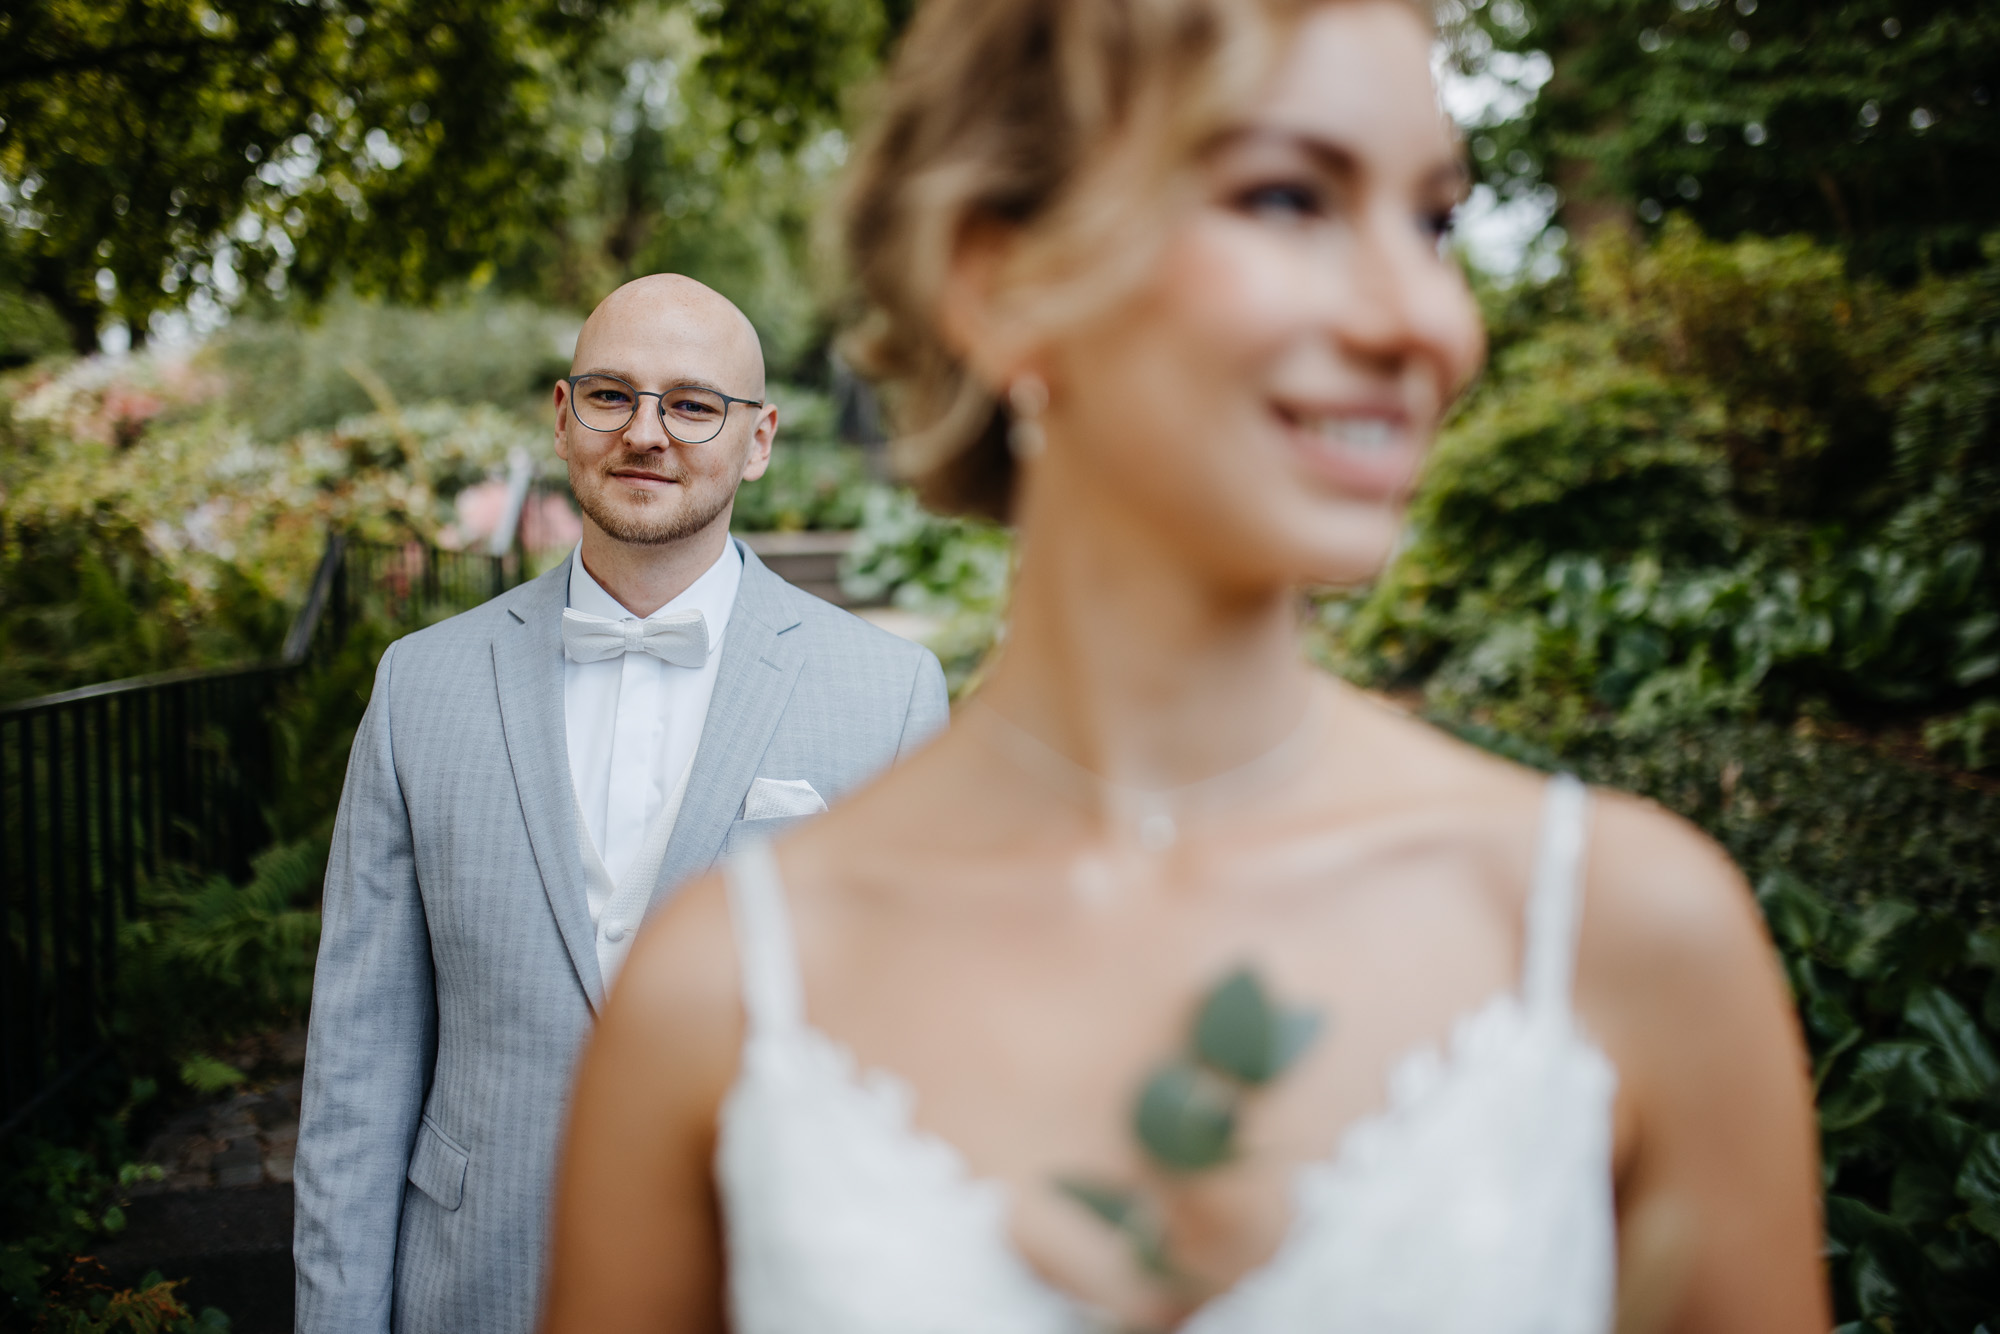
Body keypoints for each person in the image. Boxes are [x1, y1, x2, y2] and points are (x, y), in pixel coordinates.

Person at [543, 2, 1829, 1331]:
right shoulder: (723, 995)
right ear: (1004, 278)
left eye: (1435, 221)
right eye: (1288, 197)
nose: (1427, 321)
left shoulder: (1625, 939)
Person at [293, 274, 949, 1334]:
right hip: (476, 1281)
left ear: (759, 438)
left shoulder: (887, 694)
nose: (646, 432)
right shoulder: (420, 685)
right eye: (611, 396)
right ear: (563, 416)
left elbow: (919, 1061)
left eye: (693, 404)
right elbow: (355, 1070)